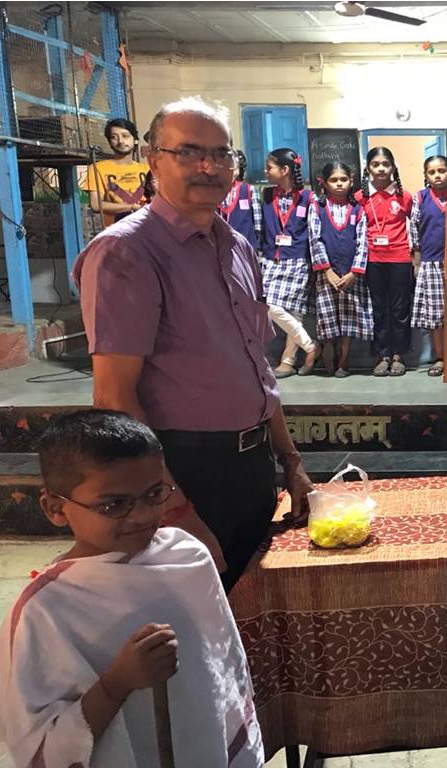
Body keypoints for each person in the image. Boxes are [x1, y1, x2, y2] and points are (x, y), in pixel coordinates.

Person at [73, 96, 314, 592]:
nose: (208, 166)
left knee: (251, 609)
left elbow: (256, 367)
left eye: (221, 154)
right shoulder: (126, 252)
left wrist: (291, 462)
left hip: (252, 465)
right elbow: (114, 398)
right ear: (153, 159)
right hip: (186, 472)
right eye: (188, 151)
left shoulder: (237, 247)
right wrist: (171, 506)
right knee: (193, 615)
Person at [0, 409, 263, 767]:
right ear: (55, 508)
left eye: (154, 494)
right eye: (114, 504)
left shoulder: (187, 556)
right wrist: (116, 684)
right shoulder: (44, 610)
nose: (141, 515)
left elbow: (221, 665)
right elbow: (38, 747)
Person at [356, 146, 418, 377]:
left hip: (400, 259)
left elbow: (416, 226)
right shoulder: (360, 197)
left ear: (393, 168)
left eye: (386, 164)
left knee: (400, 309)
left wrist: (416, 259)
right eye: (376, 164)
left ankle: (399, 355)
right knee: (379, 309)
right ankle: (382, 355)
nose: (381, 169)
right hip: (372, 259)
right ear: (368, 168)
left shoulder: (405, 196)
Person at [262, 147, 321, 378]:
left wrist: (318, 264)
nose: (266, 171)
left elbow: (314, 232)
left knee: (295, 312)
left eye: (270, 167)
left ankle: (288, 361)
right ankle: (310, 345)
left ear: (285, 170)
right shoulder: (267, 194)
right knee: (266, 304)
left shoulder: (308, 197)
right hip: (271, 258)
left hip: (297, 259)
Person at [309, 161, 371, 377]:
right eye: (333, 180)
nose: (339, 184)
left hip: (351, 274)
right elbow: (315, 240)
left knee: (348, 319)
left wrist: (354, 272)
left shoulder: (358, 209)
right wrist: (327, 270)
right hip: (326, 274)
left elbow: (363, 242)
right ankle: (329, 353)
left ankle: (344, 361)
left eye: (343, 179)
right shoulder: (317, 208)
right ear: (324, 183)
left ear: (351, 181)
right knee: (328, 317)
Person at [411, 154, 447, 377]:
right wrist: (417, 261)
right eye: (432, 172)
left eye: (442, 171)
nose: (437, 175)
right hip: (431, 263)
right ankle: (440, 357)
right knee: (436, 316)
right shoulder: (420, 198)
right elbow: (414, 229)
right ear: (426, 175)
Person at [83, 117, 150, 227]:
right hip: (117, 230)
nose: (120, 141)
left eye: (125, 136)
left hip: (147, 228)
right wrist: (131, 207)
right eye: (114, 137)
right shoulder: (97, 168)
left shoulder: (147, 169)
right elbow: (95, 204)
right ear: (110, 143)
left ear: (135, 140)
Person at [218, 149, 262, 252]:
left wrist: (257, 240)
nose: (229, 172)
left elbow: (258, 222)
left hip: (246, 245)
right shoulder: (214, 191)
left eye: (233, 168)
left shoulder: (249, 190)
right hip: (221, 246)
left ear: (238, 169)